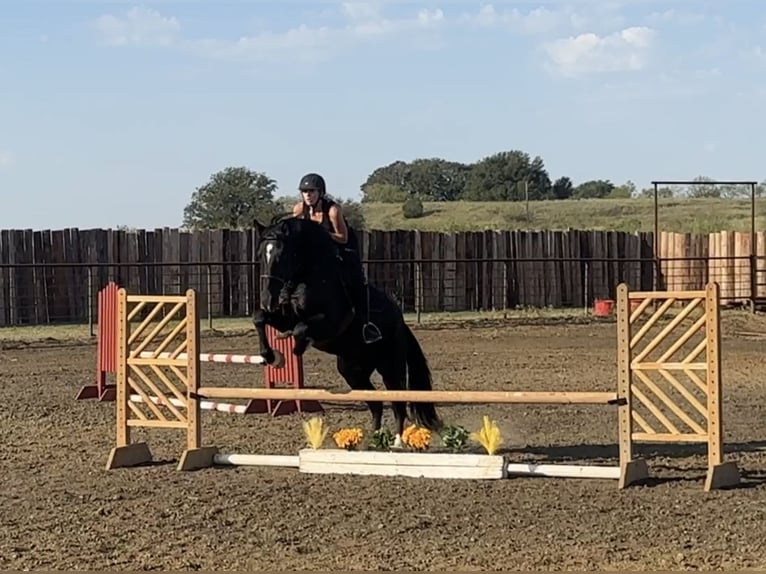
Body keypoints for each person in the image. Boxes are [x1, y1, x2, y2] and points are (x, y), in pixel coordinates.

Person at [291, 173, 382, 344]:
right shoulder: (298, 210)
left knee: (356, 280)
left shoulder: (333, 210)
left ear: (320, 193)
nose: (308, 195)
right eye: (304, 191)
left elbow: (342, 237)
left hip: (342, 248)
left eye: (312, 191)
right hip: (316, 252)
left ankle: (367, 325)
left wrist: (320, 233)